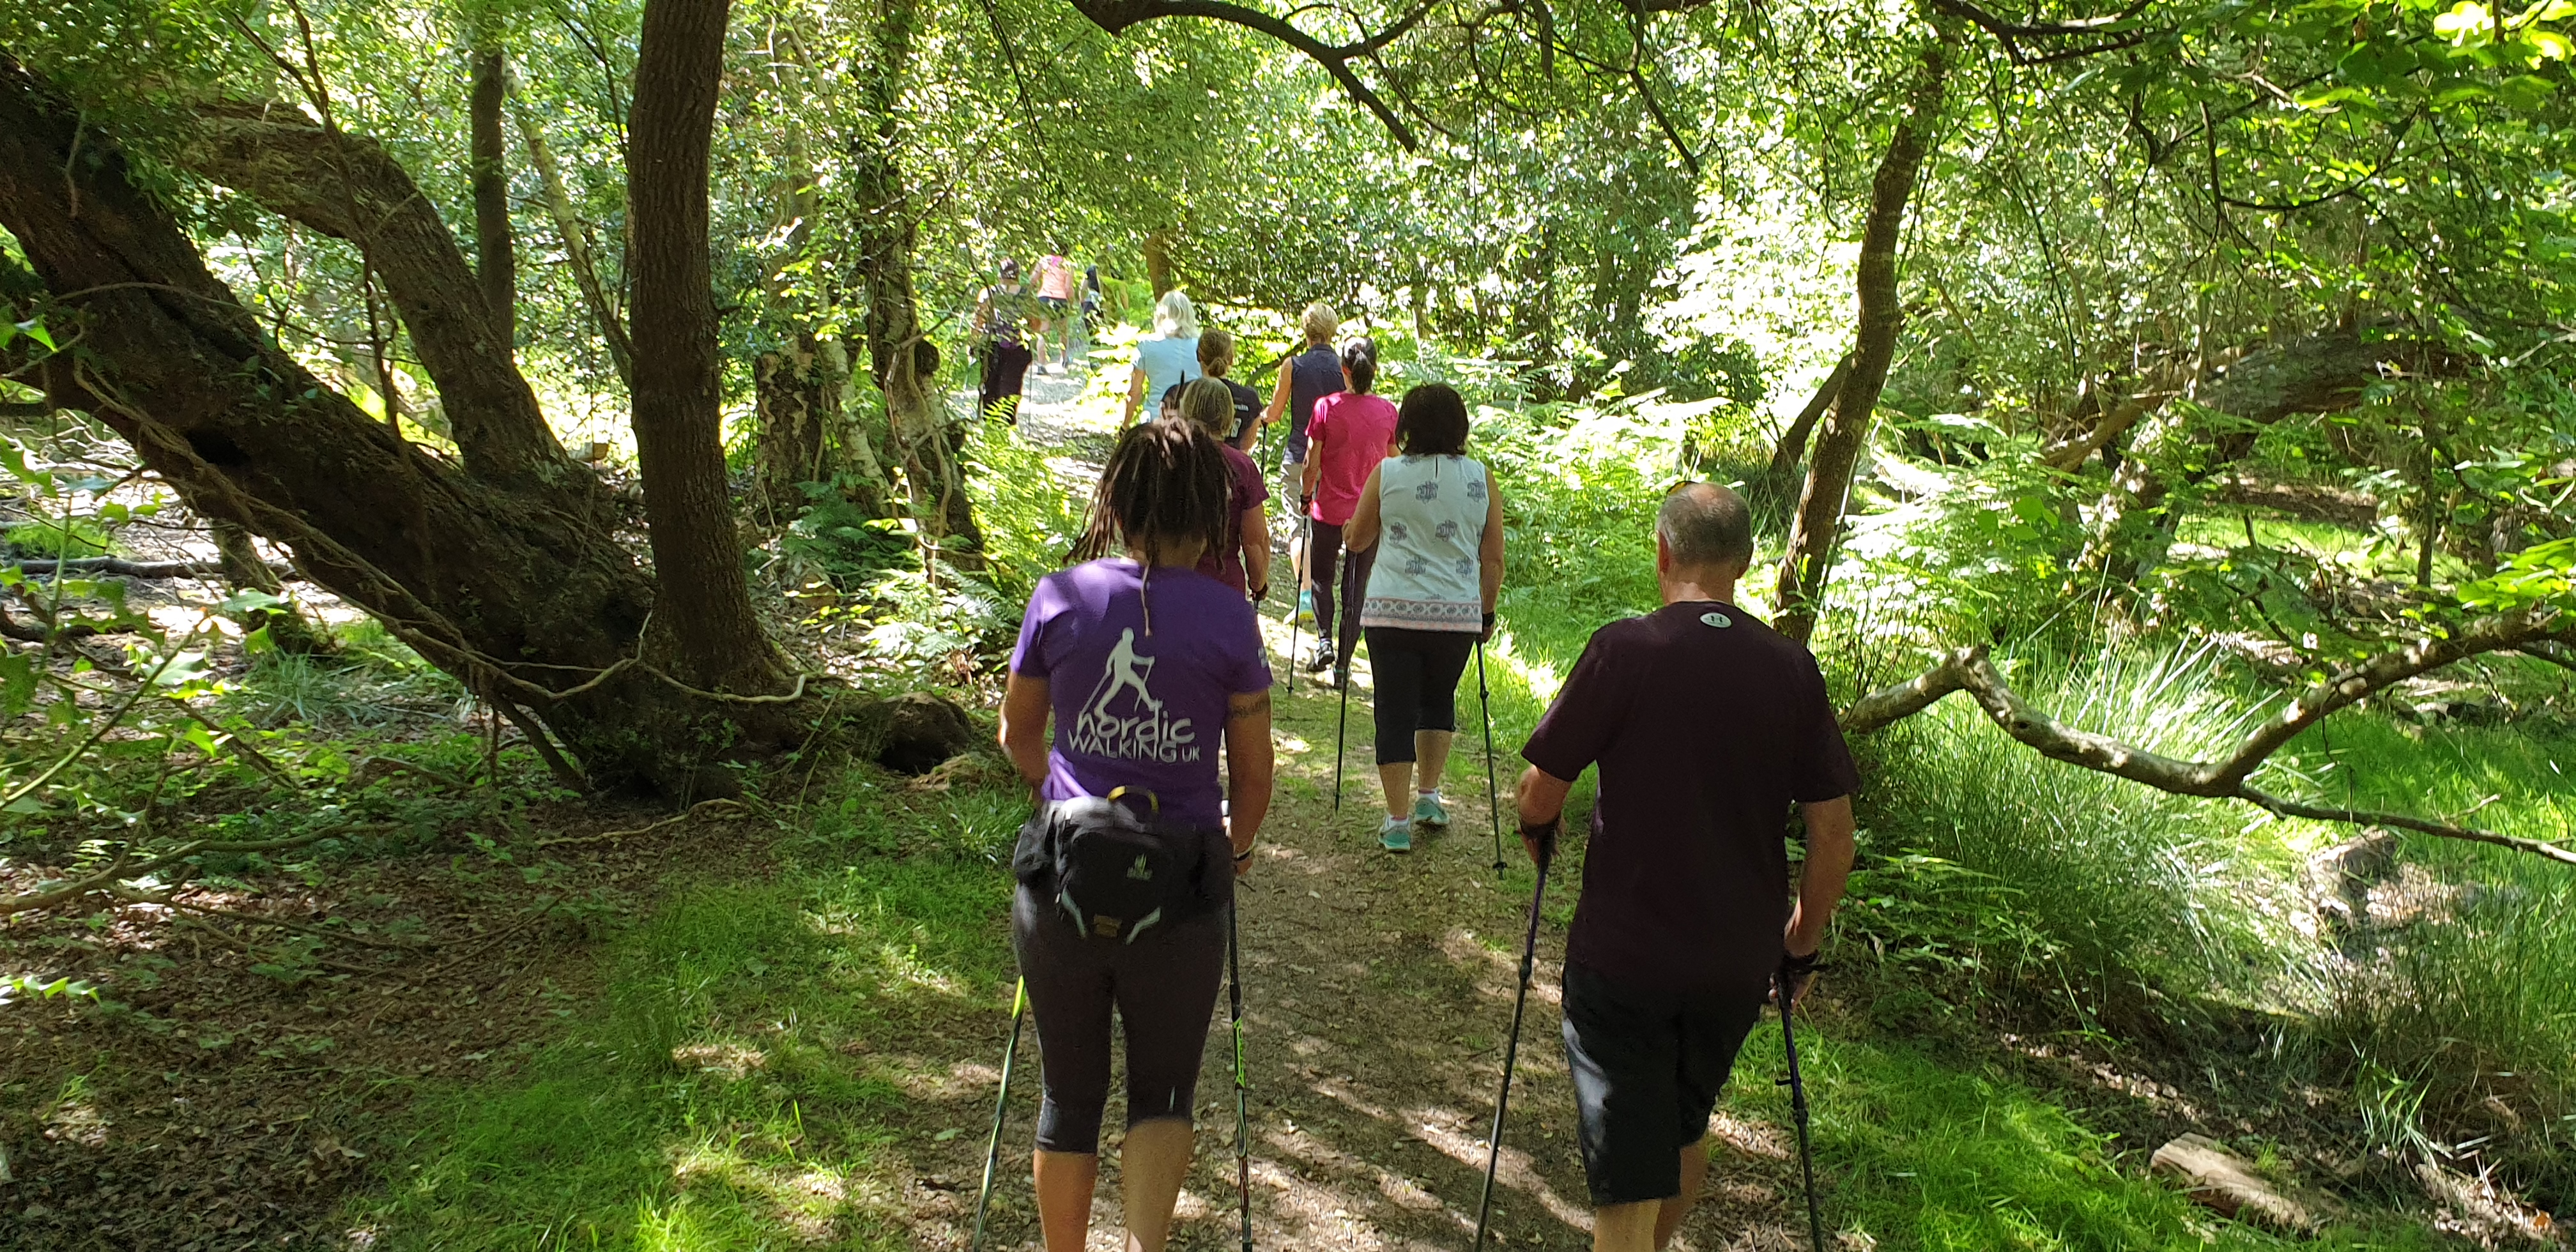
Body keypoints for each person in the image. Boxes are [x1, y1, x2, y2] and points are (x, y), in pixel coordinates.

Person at [1510, 484, 1859, 1252]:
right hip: (1734, 961)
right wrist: (1801, 942)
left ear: (1662, 551)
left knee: (1630, 1177)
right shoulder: (1791, 670)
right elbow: (1834, 837)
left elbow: (1542, 790)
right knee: (1681, 1129)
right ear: (1744, 562)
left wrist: (1535, 823)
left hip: (1625, 953)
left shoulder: (1625, 648)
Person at [998, 417, 1275, 1252]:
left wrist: (1064, 799)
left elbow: (1018, 733)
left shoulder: (1060, 596)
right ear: (1212, 515)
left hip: (1063, 881)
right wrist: (1237, 847)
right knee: (1161, 1094)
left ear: (1116, 506)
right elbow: (1255, 776)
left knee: (1068, 1096)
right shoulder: (1229, 619)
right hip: (1183, 885)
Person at [1343, 383, 1503, 851]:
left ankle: (1396, 822)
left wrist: (1354, 529)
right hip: (1456, 613)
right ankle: (1430, 796)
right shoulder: (1481, 478)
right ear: (1461, 426)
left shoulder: (1387, 472)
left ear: (1406, 426)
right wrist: (1486, 611)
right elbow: (1492, 558)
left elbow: (1357, 539)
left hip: (1391, 610)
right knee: (1437, 699)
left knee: (1393, 710)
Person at [1298, 338, 1399, 683]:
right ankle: (1343, 665)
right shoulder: (1388, 412)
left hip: (1329, 509)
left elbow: (1311, 460)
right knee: (1355, 588)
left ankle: (1325, 641)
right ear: (1375, 369)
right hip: (1369, 514)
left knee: (1322, 577)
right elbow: (1394, 462)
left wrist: (1305, 494)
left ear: (1344, 370)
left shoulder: (1326, 407)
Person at [1263, 303, 1346, 623]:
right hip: (1333, 460)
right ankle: (1326, 597)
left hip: (1299, 453)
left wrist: (1262, 417)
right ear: (1333, 330)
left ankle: (1306, 599)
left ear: (1305, 329)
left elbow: (1275, 412)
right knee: (1324, 530)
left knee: (1298, 527)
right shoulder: (1344, 368)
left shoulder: (1293, 366)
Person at [1176, 376, 1272, 599]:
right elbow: (1255, 540)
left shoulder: (1167, 456)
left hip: (1170, 583)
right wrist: (1259, 584)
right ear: (1228, 417)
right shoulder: (1243, 467)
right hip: (1223, 587)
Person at [1160, 330, 1264, 451]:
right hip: (1231, 466)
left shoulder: (1176, 394)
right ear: (1231, 359)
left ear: (1199, 356)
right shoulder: (1249, 399)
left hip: (1186, 465)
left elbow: (1167, 437)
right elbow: (1246, 447)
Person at [973, 259, 1039, 424]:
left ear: (1000, 274)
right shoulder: (1027, 295)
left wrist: (973, 344)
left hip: (992, 345)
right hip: (1018, 347)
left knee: (990, 386)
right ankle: (1009, 423)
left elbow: (978, 321)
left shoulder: (988, 293)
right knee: (1012, 386)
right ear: (1018, 275)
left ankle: (989, 425)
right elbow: (1036, 324)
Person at [1125, 291, 1202, 424]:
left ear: (1161, 315)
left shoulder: (1147, 345)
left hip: (1155, 420)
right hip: (1191, 423)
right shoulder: (1201, 346)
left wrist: (1125, 425)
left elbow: (1135, 393)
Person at [1035, 246, 1077, 370]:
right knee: (1063, 331)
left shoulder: (1044, 261)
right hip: (1061, 300)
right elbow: (1069, 288)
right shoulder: (1067, 265)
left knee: (1043, 333)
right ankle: (1064, 359)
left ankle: (1041, 365)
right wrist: (1071, 302)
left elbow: (1033, 279)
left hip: (1044, 298)